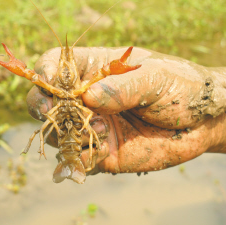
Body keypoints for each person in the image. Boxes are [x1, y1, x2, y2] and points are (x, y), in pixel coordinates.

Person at [24, 46, 226, 176]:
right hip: (73, 129)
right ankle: (68, 158)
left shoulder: (85, 88)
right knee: (46, 120)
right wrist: (211, 131)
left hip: (79, 122)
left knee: (83, 126)